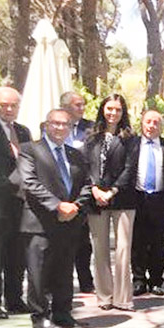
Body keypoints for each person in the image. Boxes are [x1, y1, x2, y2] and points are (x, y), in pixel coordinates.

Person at [18, 109, 91, 328]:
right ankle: (40, 317)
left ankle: (63, 313)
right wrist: (58, 205)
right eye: (56, 123)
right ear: (46, 125)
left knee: (64, 270)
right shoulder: (29, 150)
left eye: (65, 124)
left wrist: (75, 206)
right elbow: (30, 183)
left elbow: (87, 184)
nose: (60, 128)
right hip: (40, 222)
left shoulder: (75, 154)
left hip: (69, 222)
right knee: (39, 273)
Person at [83, 94, 138, 311]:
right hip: (96, 199)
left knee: (123, 250)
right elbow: (86, 167)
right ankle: (104, 296)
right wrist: (95, 189)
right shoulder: (91, 138)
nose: (113, 113)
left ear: (123, 113)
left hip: (123, 199)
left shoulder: (131, 139)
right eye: (109, 109)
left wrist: (112, 191)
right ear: (102, 110)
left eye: (117, 109)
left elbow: (130, 168)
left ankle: (123, 298)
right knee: (100, 249)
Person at [0, 86, 30, 319]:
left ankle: (14, 299)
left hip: (21, 205)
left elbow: (29, 163)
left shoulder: (23, 132)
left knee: (16, 254)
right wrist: (14, 187)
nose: (10, 109)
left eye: (14, 105)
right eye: (5, 105)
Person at [130, 110, 164, 297]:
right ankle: (139, 280)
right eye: (148, 122)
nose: (151, 126)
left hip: (161, 199)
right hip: (138, 198)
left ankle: (156, 280)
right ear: (142, 123)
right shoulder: (132, 145)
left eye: (156, 122)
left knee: (160, 242)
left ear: (162, 126)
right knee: (138, 242)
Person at [61, 90, 95, 293]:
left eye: (83, 105)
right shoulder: (54, 125)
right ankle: (56, 281)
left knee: (83, 241)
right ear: (65, 107)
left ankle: (86, 281)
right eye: (77, 105)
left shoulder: (90, 128)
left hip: (82, 188)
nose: (82, 108)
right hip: (59, 189)